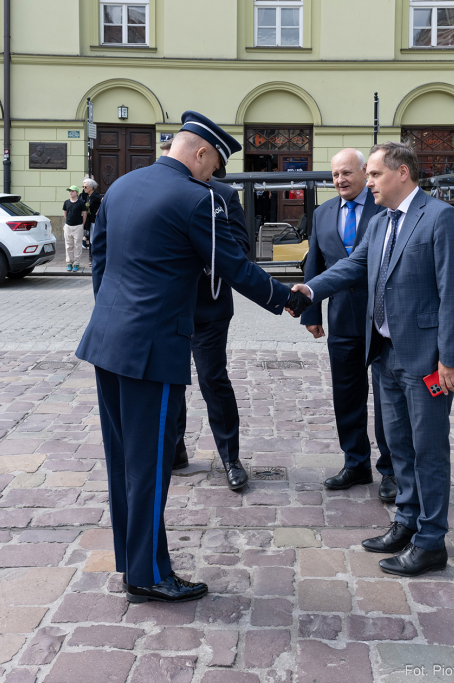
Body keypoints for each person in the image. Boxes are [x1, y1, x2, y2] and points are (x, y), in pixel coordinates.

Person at [75, 111, 311, 604]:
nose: (213, 177)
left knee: (124, 461)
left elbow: (100, 259)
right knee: (152, 465)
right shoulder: (194, 199)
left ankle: (132, 559)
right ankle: (148, 575)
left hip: (108, 341)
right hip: (152, 349)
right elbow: (236, 268)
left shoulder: (120, 186)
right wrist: (287, 299)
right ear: (201, 153)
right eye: (214, 166)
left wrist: (117, 316)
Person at [292, 142, 454, 577]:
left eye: (373, 174)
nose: (365, 182)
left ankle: (431, 542)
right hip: (385, 353)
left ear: (403, 173)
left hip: (428, 359)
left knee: (428, 451)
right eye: (367, 174)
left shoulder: (440, 218)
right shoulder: (382, 223)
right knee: (401, 448)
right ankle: (406, 523)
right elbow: (352, 266)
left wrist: (449, 359)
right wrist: (310, 291)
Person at [302, 148, 396, 503]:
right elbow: (315, 262)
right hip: (341, 318)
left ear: (364, 172)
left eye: (347, 173)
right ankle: (356, 462)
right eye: (335, 175)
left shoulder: (384, 206)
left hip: (381, 319)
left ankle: (391, 469)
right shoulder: (322, 212)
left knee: (388, 395)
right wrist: (311, 313)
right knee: (346, 393)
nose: (340, 180)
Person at [162, 139, 252, 491]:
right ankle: (175, 451)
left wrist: (203, 247)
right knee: (171, 379)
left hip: (209, 305)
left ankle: (230, 457)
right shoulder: (162, 189)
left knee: (213, 380)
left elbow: (241, 250)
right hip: (169, 306)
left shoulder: (224, 195)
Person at [62, 185, 87, 272]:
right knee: (68, 245)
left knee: (77, 245)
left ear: (77, 193)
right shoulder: (66, 202)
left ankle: (76, 263)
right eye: (69, 191)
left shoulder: (80, 203)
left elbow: (84, 214)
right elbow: (65, 213)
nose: (70, 193)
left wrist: (82, 225)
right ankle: (69, 262)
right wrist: (67, 223)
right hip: (68, 226)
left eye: (72, 191)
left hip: (78, 226)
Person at [82, 178, 101, 267]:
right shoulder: (87, 196)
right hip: (89, 222)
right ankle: (92, 259)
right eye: (83, 186)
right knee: (90, 240)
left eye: (85, 186)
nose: (84, 188)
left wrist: (100, 210)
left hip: (95, 221)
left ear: (91, 187)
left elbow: (104, 200)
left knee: (94, 240)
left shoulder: (95, 195)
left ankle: (94, 260)